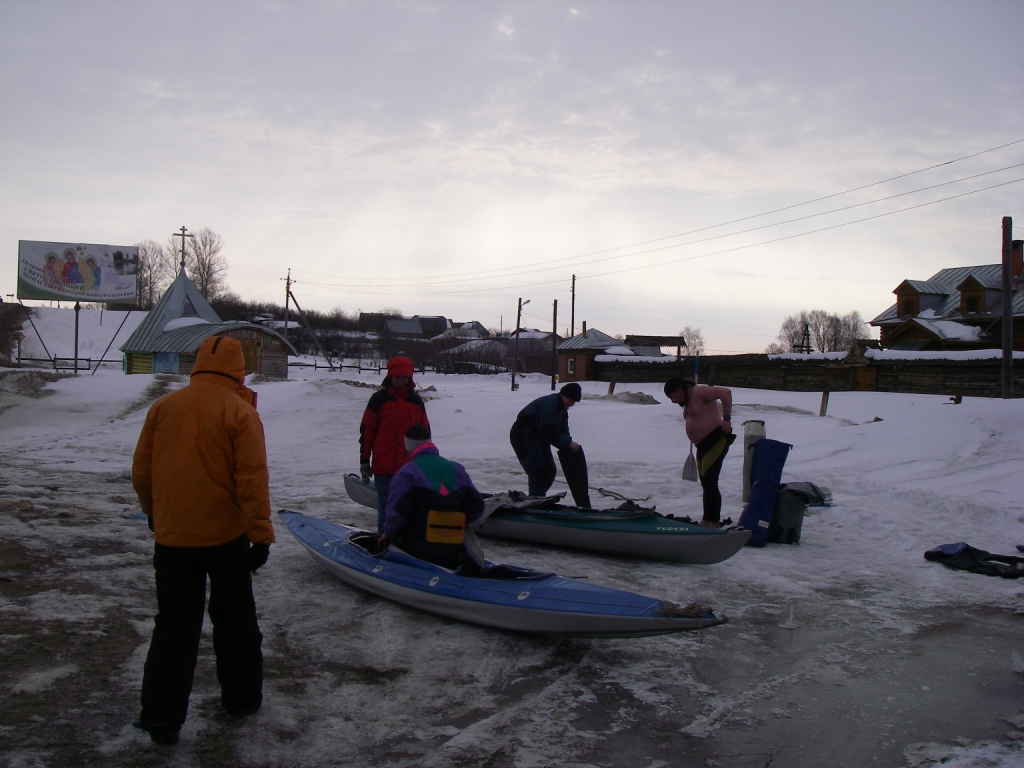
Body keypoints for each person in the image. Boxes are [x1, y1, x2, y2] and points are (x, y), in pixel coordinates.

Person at [132, 335, 274, 746]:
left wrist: (154, 511)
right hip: (225, 538)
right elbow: (251, 479)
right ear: (237, 368)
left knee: (174, 625)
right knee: (235, 620)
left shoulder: (163, 407)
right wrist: (260, 535)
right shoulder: (240, 412)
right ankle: (242, 700)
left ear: (198, 364)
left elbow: (142, 470)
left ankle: (161, 719)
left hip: (173, 538)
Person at [378, 425, 485, 570]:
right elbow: (477, 507)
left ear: (407, 447)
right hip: (453, 547)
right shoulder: (457, 469)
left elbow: (397, 513)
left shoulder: (407, 472)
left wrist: (387, 533)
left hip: (417, 547)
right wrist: (454, 522)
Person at [359, 355, 430, 533]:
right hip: (385, 466)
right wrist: (364, 461)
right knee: (386, 509)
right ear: (390, 376)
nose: (401, 381)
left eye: (405, 377)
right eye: (398, 377)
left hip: (410, 467)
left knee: (410, 509)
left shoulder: (416, 401)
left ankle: (406, 544)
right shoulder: (378, 399)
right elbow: (367, 432)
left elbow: (425, 434)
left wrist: (428, 461)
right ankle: (384, 543)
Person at [664, 376, 735, 528]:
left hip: (715, 440)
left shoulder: (698, 392)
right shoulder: (687, 401)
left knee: (710, 481)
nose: (673, 401)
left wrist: (726, 419)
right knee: (706, 483)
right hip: (702, 446)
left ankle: (714, 522)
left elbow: (726, 393)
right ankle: (707, 519)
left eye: (672, 397)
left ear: (678, 390)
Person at [509, 382, 591, 507]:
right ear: (563, 395)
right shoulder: (549, 405)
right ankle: (536, 503)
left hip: (539, 439)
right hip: (524, 437)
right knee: (538, 472)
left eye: (574, 401)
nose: (572, 404)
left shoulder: (562, 409)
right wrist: (567, 444)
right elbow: (548, 430)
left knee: (550, 471)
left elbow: (563, 430)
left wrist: (568, 444)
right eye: (571, 400)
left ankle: (537, 498)